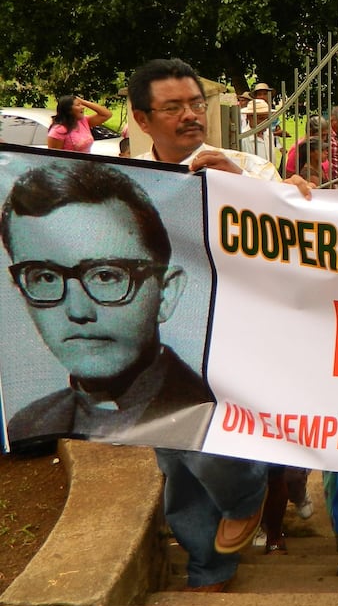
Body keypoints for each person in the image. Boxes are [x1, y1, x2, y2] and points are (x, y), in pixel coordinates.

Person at [127, 57, 310, 593]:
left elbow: (292, 250)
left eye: (196, 104)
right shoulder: (128, 182)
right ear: (142, 120)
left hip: (235, 336)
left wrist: (257, 197)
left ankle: (243, 497)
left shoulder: (248, 169)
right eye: (173, 107)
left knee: (208, 445)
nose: (190, 116)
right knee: (178, 459)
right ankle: (209, 568)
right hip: (162, 336)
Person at [1, 160, 213, 450]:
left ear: (166, 292)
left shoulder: (217, 417)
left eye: (105, 275)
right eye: (45, 276)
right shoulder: (31, 425)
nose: (78, 312)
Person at [46, 95, 113, 153]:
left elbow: (107, 114)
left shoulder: (83, 121)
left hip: (85, 166)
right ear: (68, 110)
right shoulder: (58, 131)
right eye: (78, 105)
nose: (82, 107)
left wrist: (83, 101)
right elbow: (54, 158)